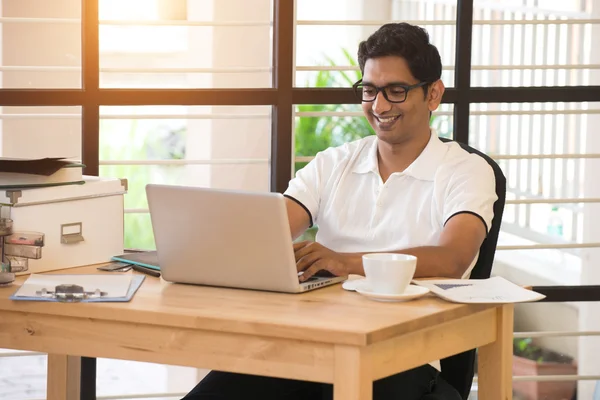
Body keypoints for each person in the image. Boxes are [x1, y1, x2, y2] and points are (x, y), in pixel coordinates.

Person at [182, 22, 497, 400]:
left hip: (403, 356)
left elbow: (451, 258)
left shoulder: (466, 170)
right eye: (369, 90)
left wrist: (345, 262)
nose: (379, 106)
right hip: (312, 342)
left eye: (396, 91)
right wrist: (202, 246)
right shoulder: (335, 162)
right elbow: (272, 229)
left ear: (433, 94)